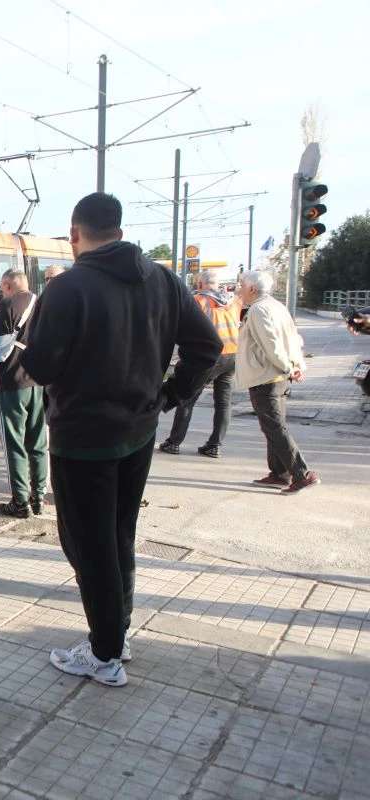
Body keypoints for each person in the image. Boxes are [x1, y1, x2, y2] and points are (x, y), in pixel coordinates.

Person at [21, 193, 220, 688]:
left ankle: (105, 653)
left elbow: (40, 367)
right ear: (118, 227)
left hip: (83, 439)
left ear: (75, 234)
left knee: (89, 545)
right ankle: (117, 633)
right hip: (138, 433)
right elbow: (208, 347)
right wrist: (169, 395)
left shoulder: (67, 289)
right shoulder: (164, 279)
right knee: (118, 535)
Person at [235, 270, 320, 493]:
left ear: (252, 288)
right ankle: (279, 474)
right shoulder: (276, 306)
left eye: (241, 286)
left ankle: (303, 474)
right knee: (273, 426)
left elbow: (271, 345)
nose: (239, 290)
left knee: (274, 427)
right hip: (278, 375)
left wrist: (289, 367)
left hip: (268, 376)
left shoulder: (258, 309)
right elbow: (294, 338)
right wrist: (296, 366)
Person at [159, 269, 240, 458]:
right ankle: (215, 445)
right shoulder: (232, 301)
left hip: (211, 357)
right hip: (233, 355)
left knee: (187, 398)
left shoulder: (199, 301)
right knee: (223, 403)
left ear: (200, 284)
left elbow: (188, 329)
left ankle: (174, 442)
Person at [0, 268, 48, 518]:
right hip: (38, 381)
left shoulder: (7, 305)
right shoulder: (43, 302)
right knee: (38, 442)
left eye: (2, 288)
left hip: (12, 382)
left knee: (14, 444)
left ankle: (20, 501)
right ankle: (38, 498)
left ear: (7, 285)